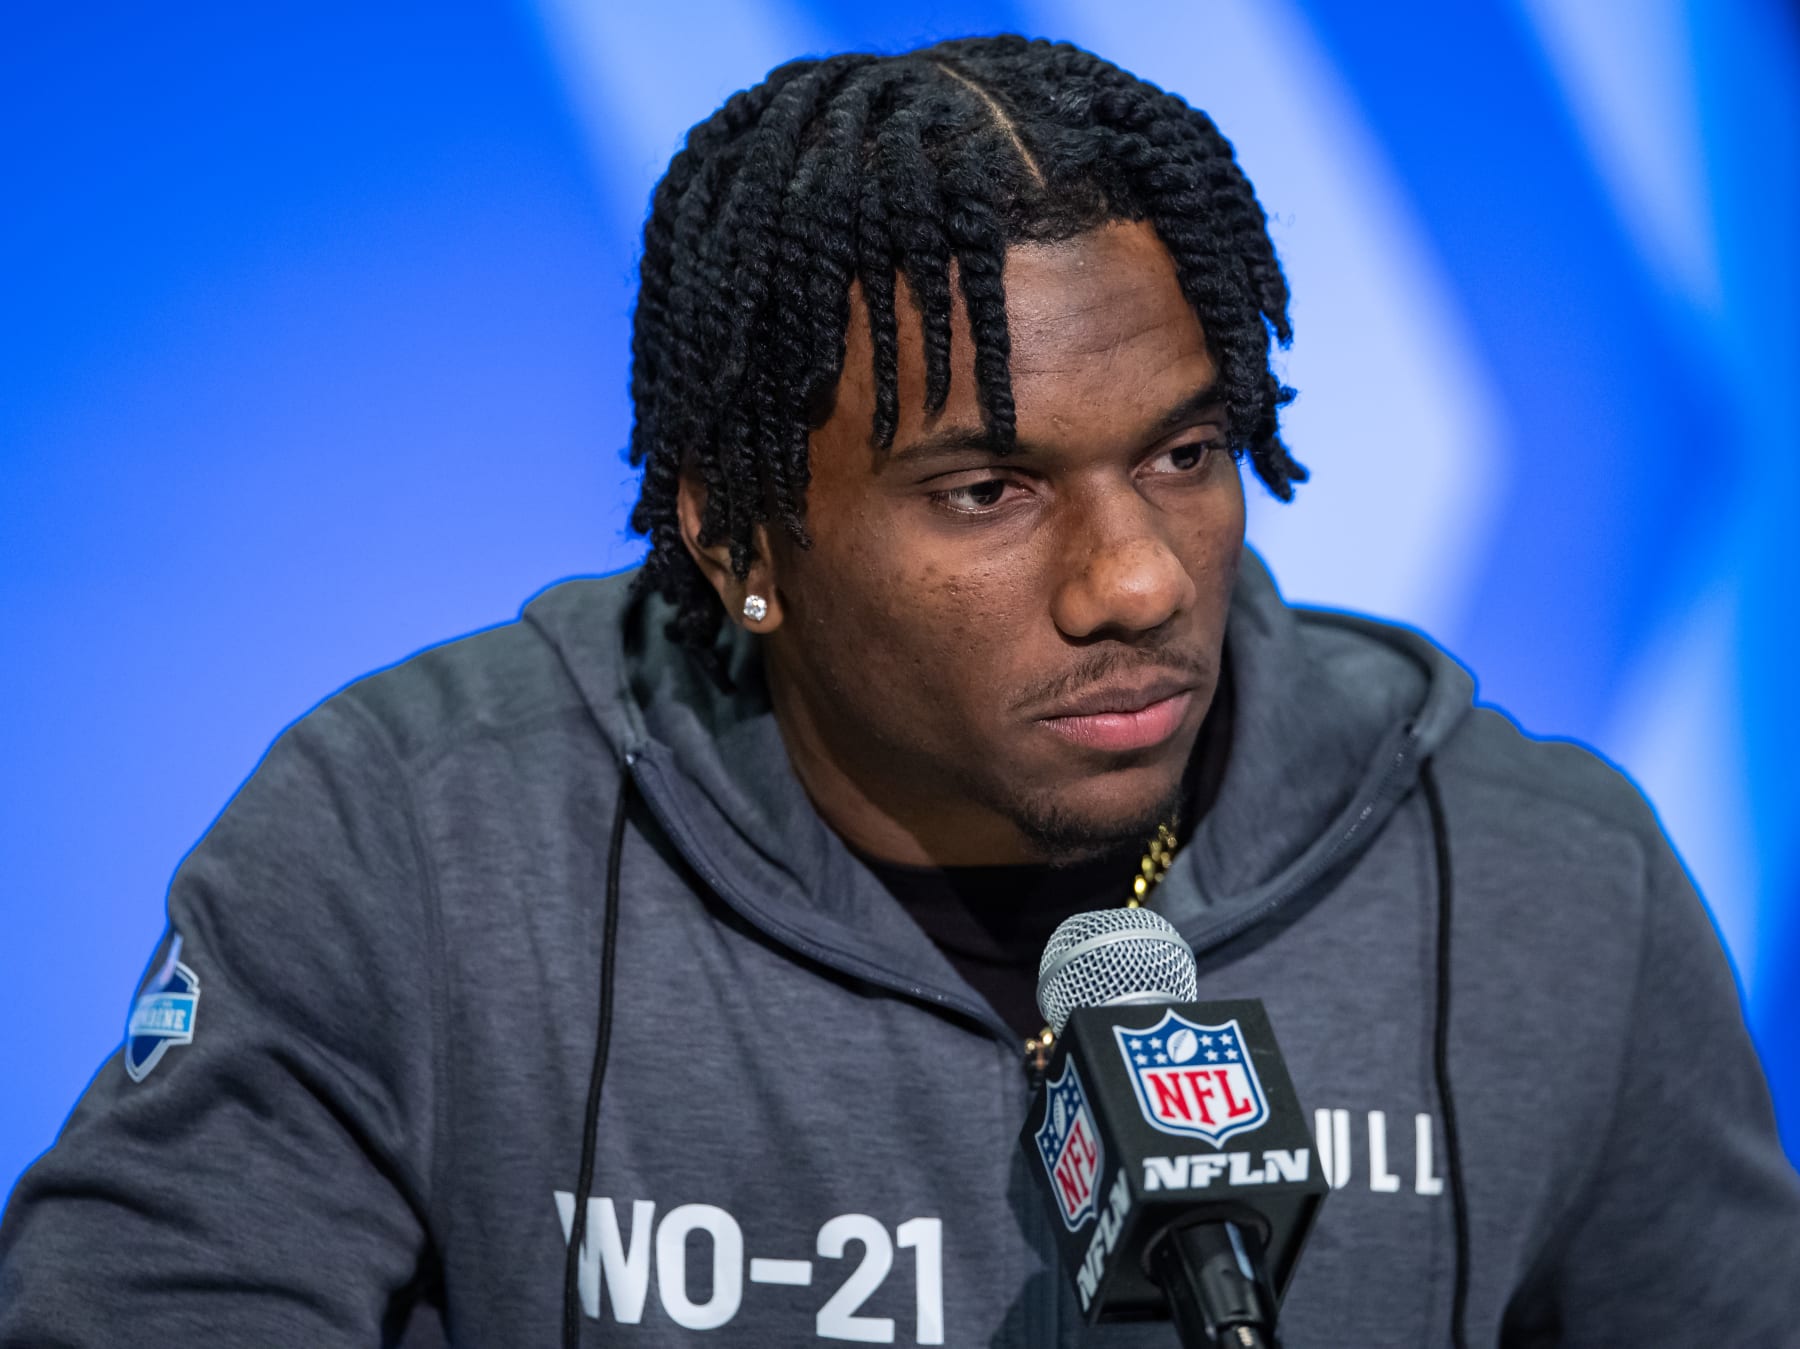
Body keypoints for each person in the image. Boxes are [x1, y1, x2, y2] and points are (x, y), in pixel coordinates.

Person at [3, 34, 1796, 1348]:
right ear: (735, 538)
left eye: (1185, 451)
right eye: (987, 490)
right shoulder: (408, 849)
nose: (1141, 581)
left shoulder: (1550, 877)